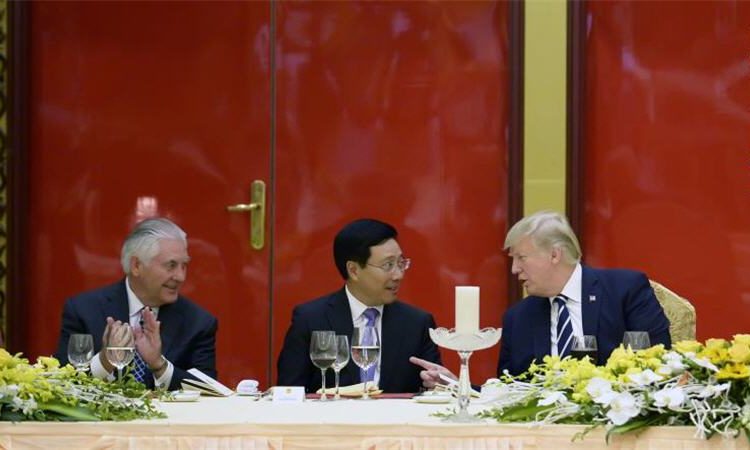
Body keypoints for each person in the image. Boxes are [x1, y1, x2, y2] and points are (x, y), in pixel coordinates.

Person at [411, 210, 671, 386]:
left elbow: (655, 364)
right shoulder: (518, 317)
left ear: (554, 255)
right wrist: (456, 385)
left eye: (521, 258)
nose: (514, 269)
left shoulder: (625, 289)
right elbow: (507, 393)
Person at [277, 218, 441, 393]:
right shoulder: (311, 319)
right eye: (388, 265)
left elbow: (435, 392)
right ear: (354, 270)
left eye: (401, 263)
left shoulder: (417, 323)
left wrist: (437, 383)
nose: (398, 275)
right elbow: (289, 393)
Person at [54, 217, 217, 390]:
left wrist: (160, 365)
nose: (180, 276)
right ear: (137, 265)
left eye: (184, 266)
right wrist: (104, 361)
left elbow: (208, 390)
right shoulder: (83, 310)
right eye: (171, 265)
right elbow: (63, 382)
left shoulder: (198, 323)